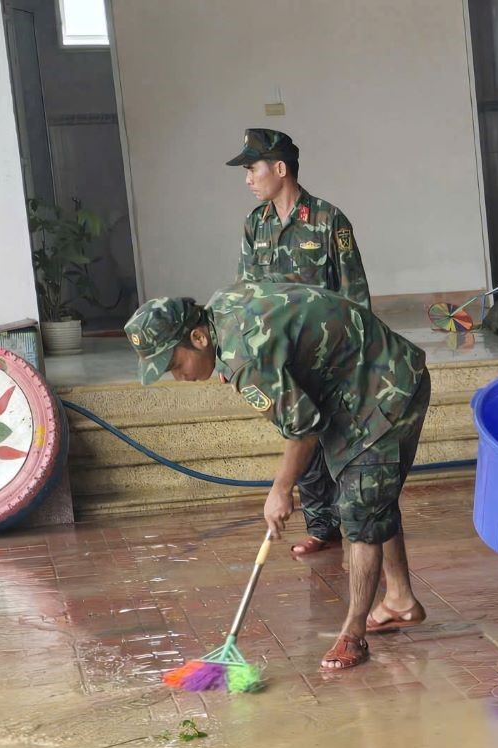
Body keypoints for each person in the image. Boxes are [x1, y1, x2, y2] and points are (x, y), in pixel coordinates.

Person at [125, 285, 430, 672]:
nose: (178, 376)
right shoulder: (222, 309)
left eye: (175, 364)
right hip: (353, 380)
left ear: (198, 337)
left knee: (360, 505)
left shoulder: (244, 358)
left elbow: (303, 429)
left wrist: (281, 490)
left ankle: (353, 634)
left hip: (386, 386)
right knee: (371, 495)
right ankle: (400, 600)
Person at [229, 128, 371, 561]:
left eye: (252, 169)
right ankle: (322, 529)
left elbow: (355, 294)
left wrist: (358, 357)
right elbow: (247, 294)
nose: (248, 179)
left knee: (337, 443)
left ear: (279, 168)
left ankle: (358, 527)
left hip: (329, 354)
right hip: (281, 358)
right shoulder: (256, 225)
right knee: (300, 439)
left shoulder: (330, 221)